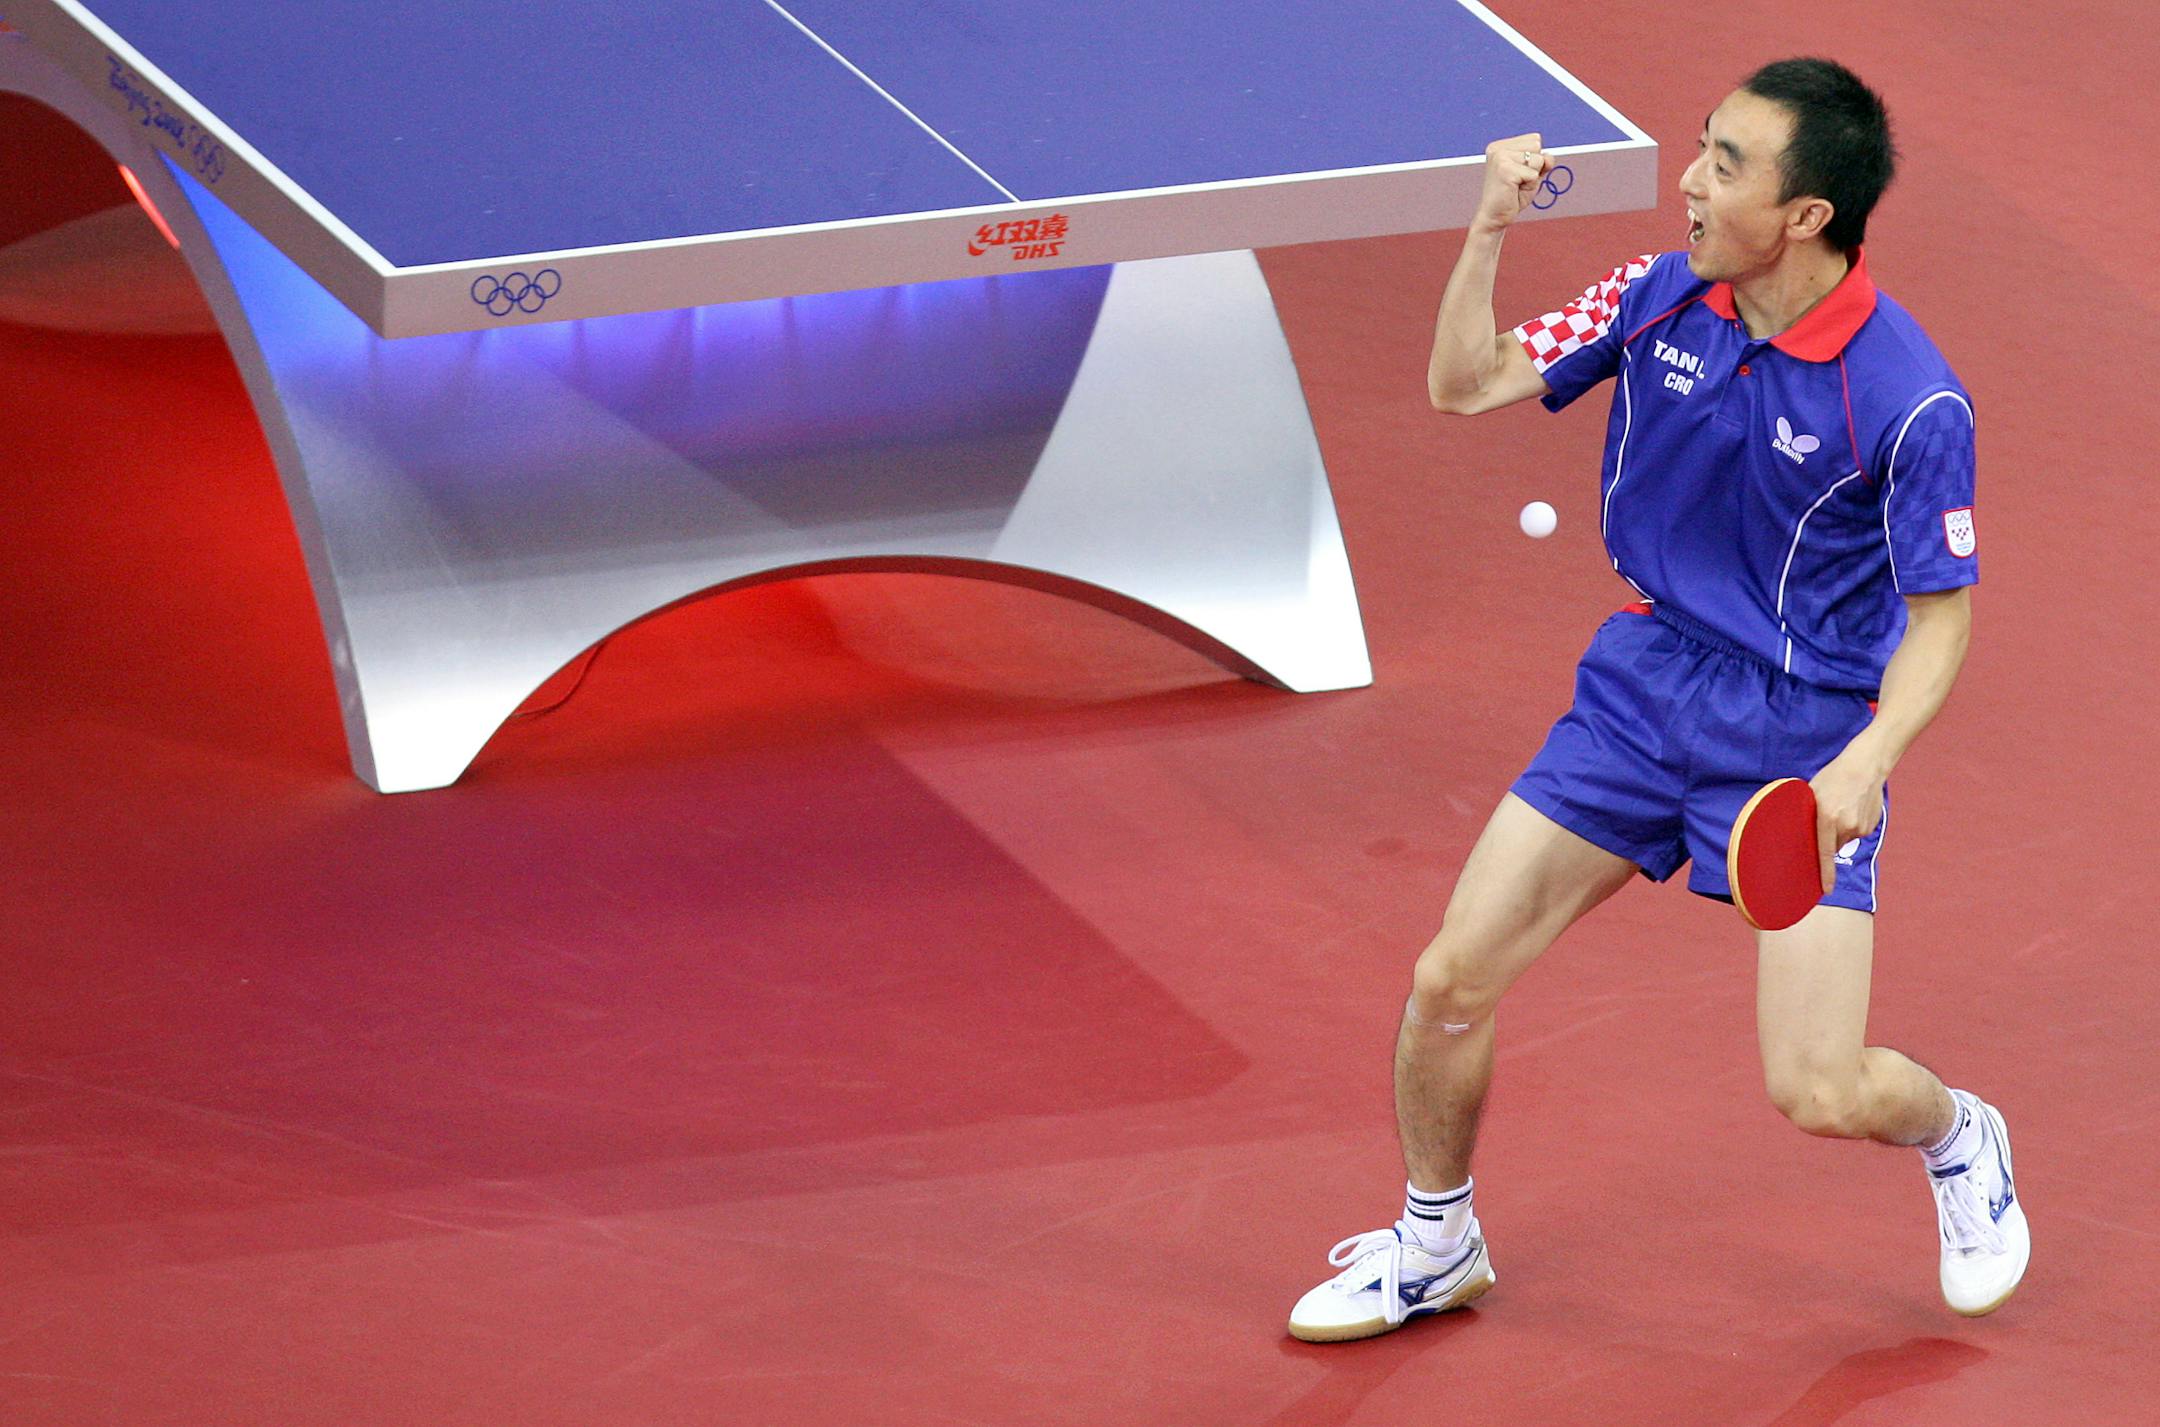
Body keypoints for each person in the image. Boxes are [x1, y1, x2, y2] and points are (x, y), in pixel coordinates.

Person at [1288, 58, 2027, 1343]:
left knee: (1818, 1089)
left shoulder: (1908, 398)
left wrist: (1867, 761)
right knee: (1451, 974)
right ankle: (1436, 1239)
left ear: (1807, 214)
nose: (1688, 180)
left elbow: (1940, 616)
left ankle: (1960, 1131)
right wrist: (1488, 227)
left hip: (1801, 735)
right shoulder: (1656, 295)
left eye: (1726, 167)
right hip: (1644, 686)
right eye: (1701, 147)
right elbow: (1464, 382)